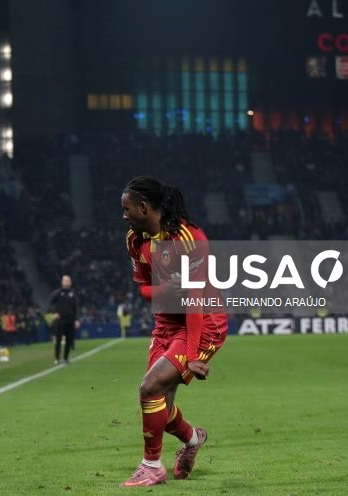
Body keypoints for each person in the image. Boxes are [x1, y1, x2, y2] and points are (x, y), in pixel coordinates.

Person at [119, 176, 228, 487]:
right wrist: (165, 288)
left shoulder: (188, 238)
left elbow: (194, 301)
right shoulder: (134, 239)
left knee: (149, 388)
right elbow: (142, 290)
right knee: (159, 404)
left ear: (144, 207)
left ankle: (151, 466)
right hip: (166, 322)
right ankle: (193, 439)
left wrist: (192, 355)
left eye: (127, 209)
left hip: (203, 322)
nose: (124, 215)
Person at [47, 274, 80, 364]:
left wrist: (77, 320)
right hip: (60, 320)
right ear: (62, 282)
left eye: (68, 281)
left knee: (69, 340)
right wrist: (54, 313)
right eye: (65, 281)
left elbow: (76, 308)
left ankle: (65, 358)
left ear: (70, 282)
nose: (67, 282)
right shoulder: (57, 293)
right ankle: (57, 358)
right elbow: (49, 303)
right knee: (58, 340)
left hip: (70, 320)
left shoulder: (73, 294)